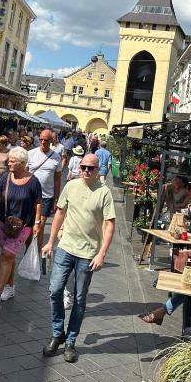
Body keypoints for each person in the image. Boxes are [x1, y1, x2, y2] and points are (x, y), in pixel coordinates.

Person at [42, 153, 116, 363]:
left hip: (88, 253)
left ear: (98, 169)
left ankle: (71, 341)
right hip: (66, 247)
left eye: (90, 168)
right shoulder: (71, 186)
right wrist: (50, 241)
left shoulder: (104, 192)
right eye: (83, 167)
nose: (85, 171)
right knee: (55, 290)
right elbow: (59, 212)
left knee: (80, 299)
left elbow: (110, 225)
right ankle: (58, 334)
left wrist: (102, 253)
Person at [0, 147, 42, 313]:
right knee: (8, 255)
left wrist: (37, 222)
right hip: (4, 223)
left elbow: (38, 202)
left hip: (24, 225)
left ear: (23, 163)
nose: (8, 163)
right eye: (9, 160)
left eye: (13, 161)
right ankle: (9, 287)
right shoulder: (5, 177)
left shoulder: (33, 181)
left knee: (7, 255)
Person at [28, 129, 62, 250]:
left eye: (46, 140)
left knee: (40, 227)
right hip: (30, 195)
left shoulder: (56, 158)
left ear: (51, 141)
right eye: (41, 139)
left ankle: (36, 253)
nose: (43, 142)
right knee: (29, 226)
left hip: (46, 197)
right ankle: (29, 251)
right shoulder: (30, 154)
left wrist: (56, 198)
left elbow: (57, 180)